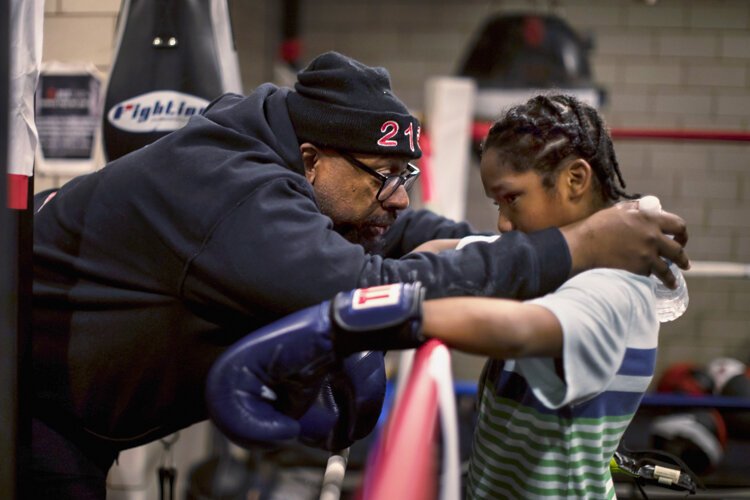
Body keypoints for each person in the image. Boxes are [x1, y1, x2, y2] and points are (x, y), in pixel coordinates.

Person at [30, 50, 686, 499]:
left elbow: (391, 229)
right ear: (312, 161)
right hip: (31, 410)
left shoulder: (280, 158)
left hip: (75, 412)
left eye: (405, 176)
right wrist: (573, 246)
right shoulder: (232, 192)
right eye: (385, 176)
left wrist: (496, 245)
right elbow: (362, 284)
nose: (399, 197)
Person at [207, 94, 669, 499]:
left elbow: (518, 332)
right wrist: (364, 280)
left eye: (511, 199)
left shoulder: (615, 286)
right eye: (496, 205)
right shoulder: (559, 255)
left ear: (574, 179)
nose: (504, 224)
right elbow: (447, 251)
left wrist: (355, 318)